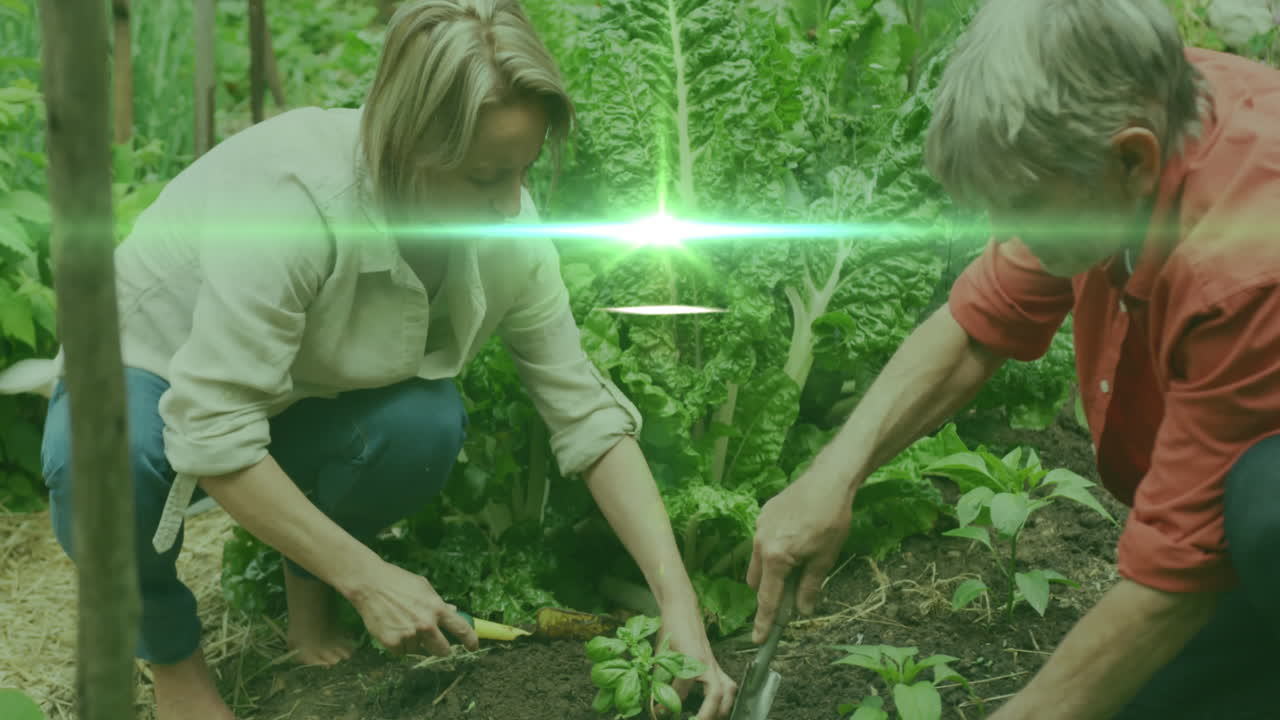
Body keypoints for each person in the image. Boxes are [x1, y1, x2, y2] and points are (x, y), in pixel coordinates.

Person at [39, 2, 736, 719]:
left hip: (294, 387)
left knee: (419, 427)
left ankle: (309, 589)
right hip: (148, 369)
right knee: (103, 464)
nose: (510, 204)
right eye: (483, 178)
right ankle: (173, 660)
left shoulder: (510, 228)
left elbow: (584, 412)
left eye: (524, 170)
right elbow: (212, 428)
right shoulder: (292, 203)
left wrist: (677, 605)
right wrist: (370, 578)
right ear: (406, 147)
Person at [747, 1, 1280, 718]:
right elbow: (980, 323)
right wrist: (831, 477)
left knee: (1267, 496)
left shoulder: (1245, 264)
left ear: (1133, 159)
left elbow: (1175, 582)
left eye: (1024, 206)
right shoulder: (1132, 106)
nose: (1005, 232)